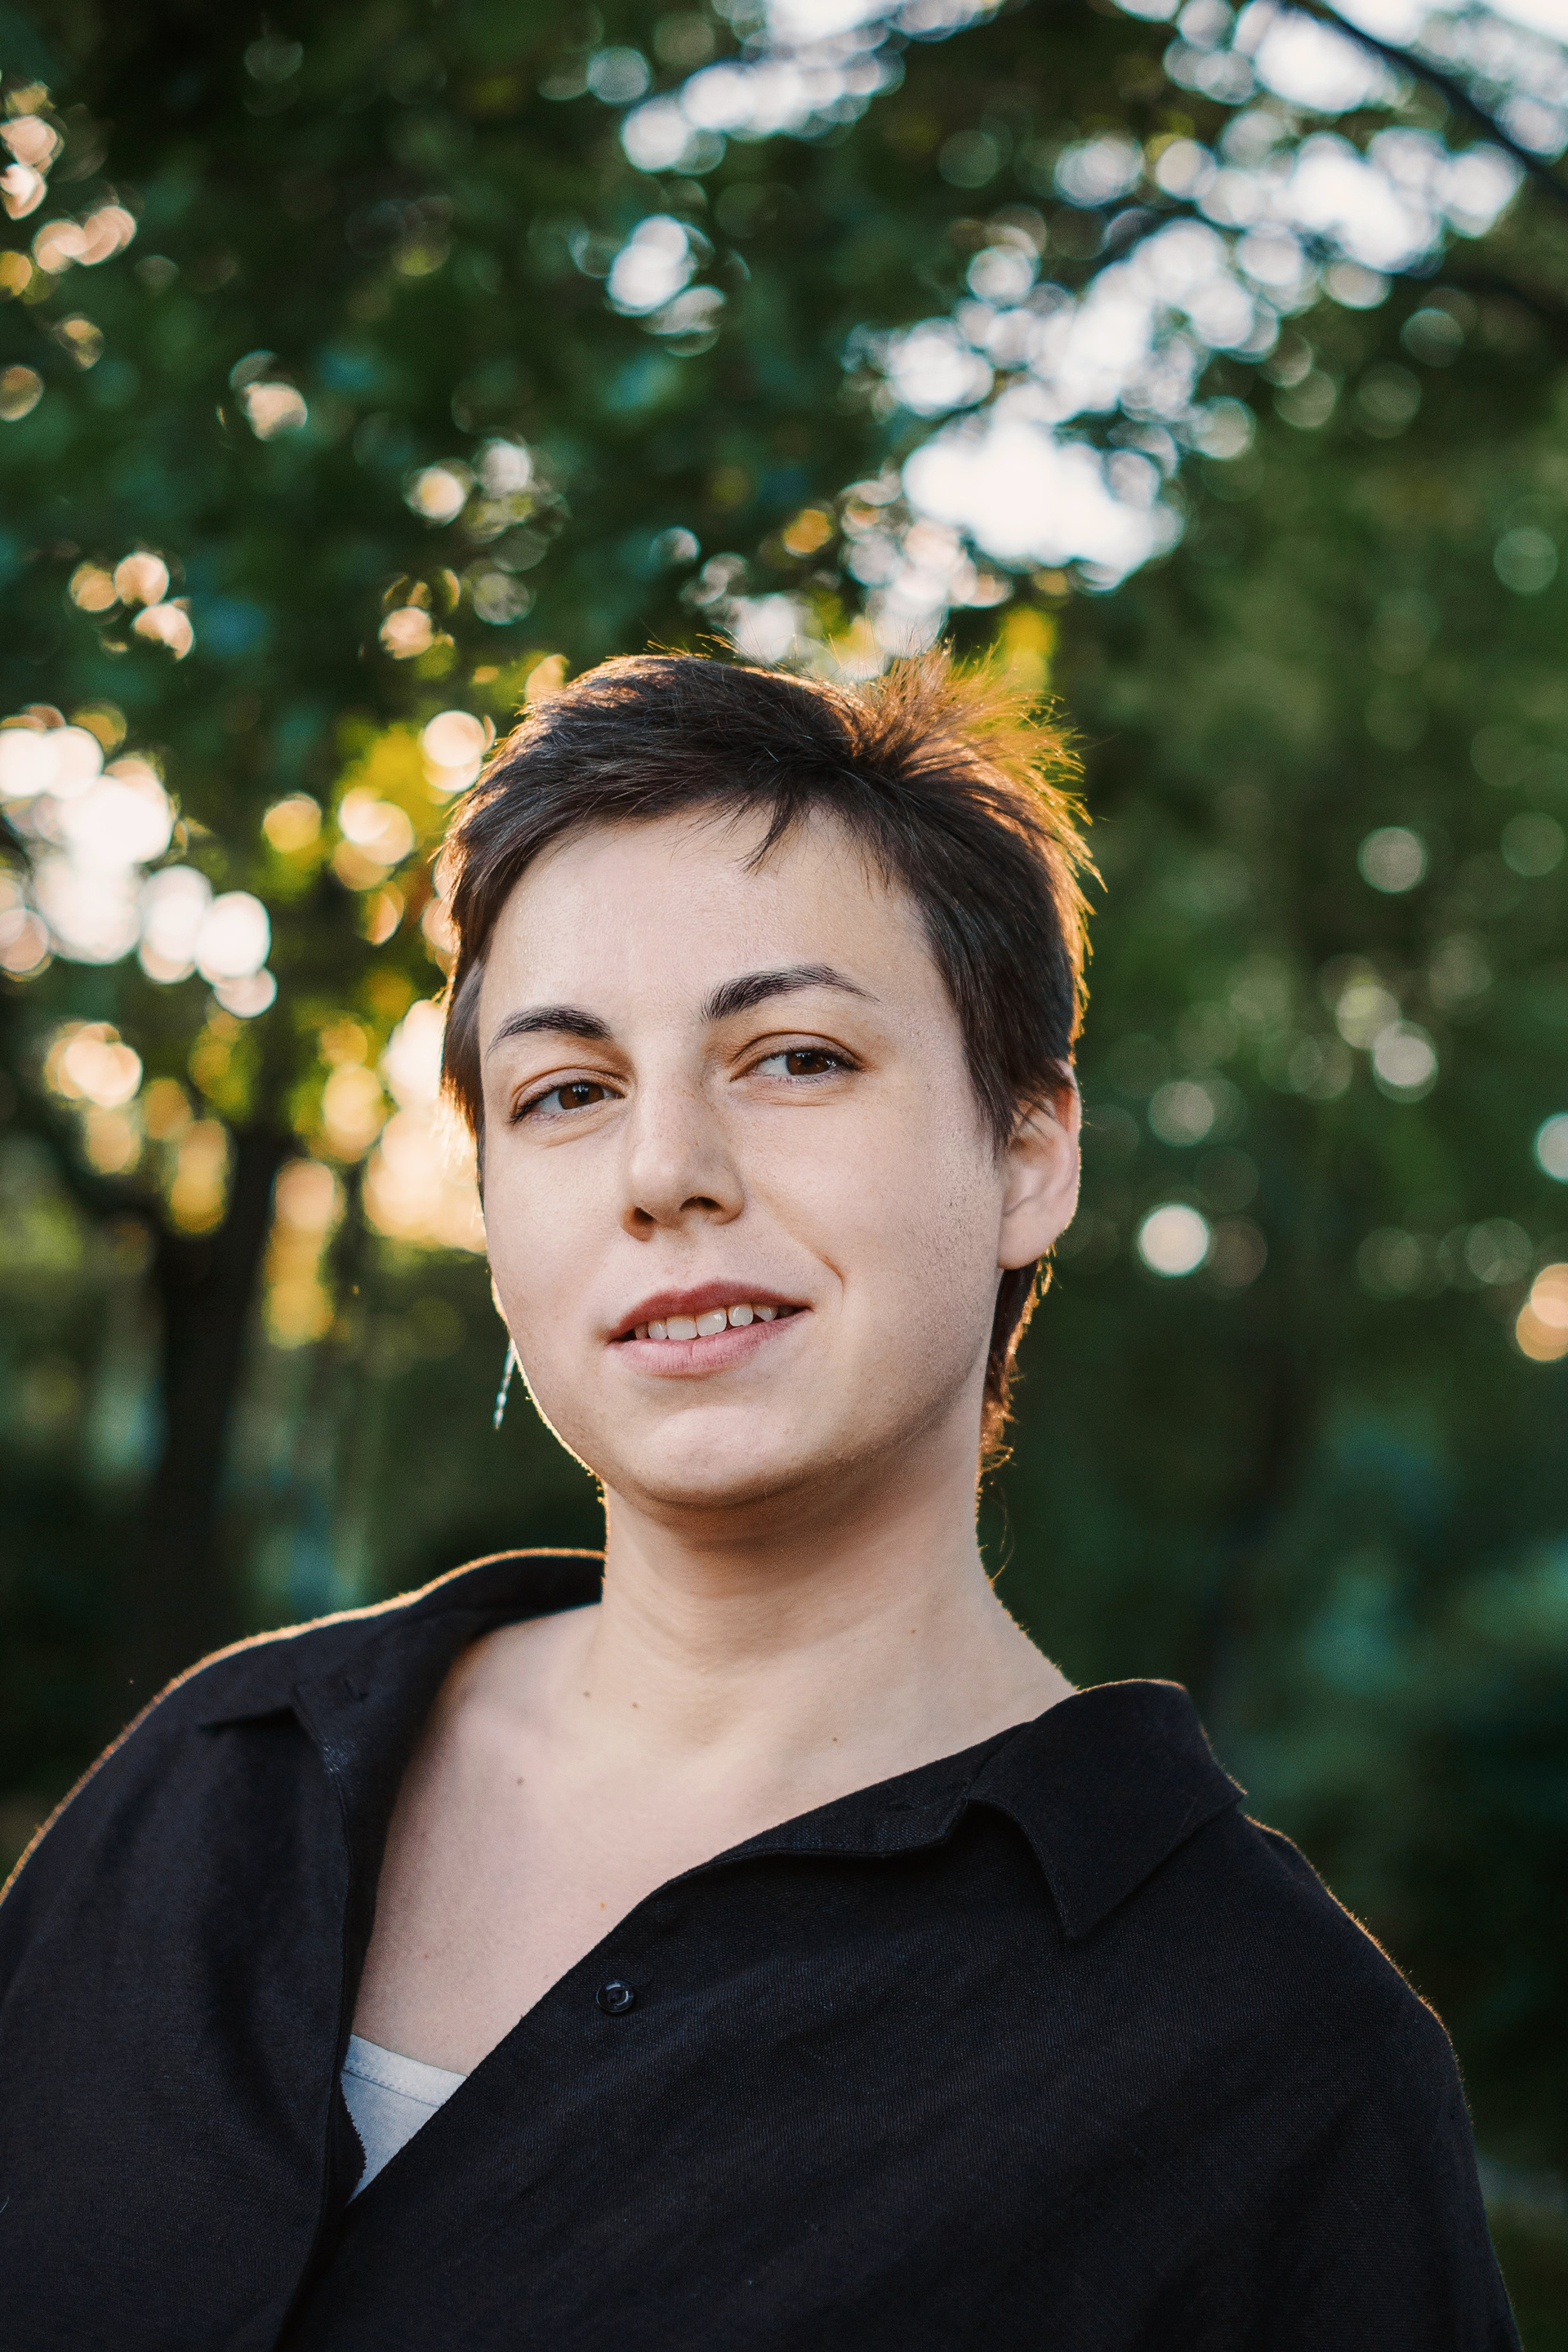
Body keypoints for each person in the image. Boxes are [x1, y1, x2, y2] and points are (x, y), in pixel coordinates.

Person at [0, 652, 1517, 2350]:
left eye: (794, 1057)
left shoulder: (1273, 2071)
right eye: (569, 1093)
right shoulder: (220, 1778)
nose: (666, 1172)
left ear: (1030, 1153)